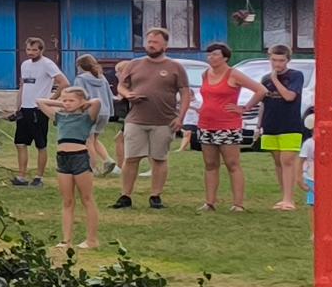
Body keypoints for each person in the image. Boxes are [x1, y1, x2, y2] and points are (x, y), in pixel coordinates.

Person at [115, 27, 188, 209]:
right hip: (136, 119)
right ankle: (125, 196)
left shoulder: (175, 67)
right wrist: (128, 94)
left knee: (159, 159)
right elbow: (121, 87)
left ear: (165, 45)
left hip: (164, 121)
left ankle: (155, 196)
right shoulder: (134, 64)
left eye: (155, 42)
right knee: (131, 158)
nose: (151, 45)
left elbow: (185, 93)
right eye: (149, 41)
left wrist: (180, 118)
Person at [192, 43, 262, 211]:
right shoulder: (205, 74)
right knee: (210, 163)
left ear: (225, 57)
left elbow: (260, 90)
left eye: (215, 54)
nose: (211, 58)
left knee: (232, 163)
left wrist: (244, 108)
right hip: (206, 124)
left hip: (228, 125)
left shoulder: (234, 74)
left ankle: (238, 204)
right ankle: (210, 202)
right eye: (209, 55)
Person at [49, 79, 101, 249]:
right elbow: (40, 102)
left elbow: (97, 102)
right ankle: (66, 240)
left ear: (81, 102)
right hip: (62, 159)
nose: (67, 103)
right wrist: (62, 102)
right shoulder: (60, 117)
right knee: (67, 201)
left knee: (86, 198)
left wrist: (82, 103)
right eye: (64, 100)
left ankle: (92, 239)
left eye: (71, 100)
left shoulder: (86, 117)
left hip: (79, 157)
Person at [258, 42, 309, 211]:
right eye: (274, 60)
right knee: (278, 162)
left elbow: (289, 96)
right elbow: (263, 104)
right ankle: (284, 197)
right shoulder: (264, 79)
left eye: (281, 60)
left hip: (290, 125)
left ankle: (290, 200)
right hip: (271, 125)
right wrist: (259, 125)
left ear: (287, 60)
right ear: (269, 59)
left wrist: (275, 79)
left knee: (287, 161)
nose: (277, 64)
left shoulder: (296, 76)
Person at [9, 36, 61, 185]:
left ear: (41, 50)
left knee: (40, 144)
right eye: (28, 49)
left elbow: (64, 83)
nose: (30, 52)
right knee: (20, 143)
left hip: (38, 110)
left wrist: (50, 101)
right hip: (25, 109)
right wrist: (17, 106)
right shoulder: (25, 65)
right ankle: (21, 176)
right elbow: (23, 86)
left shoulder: (48, 64)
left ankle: (39, 177)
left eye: (34, 50)